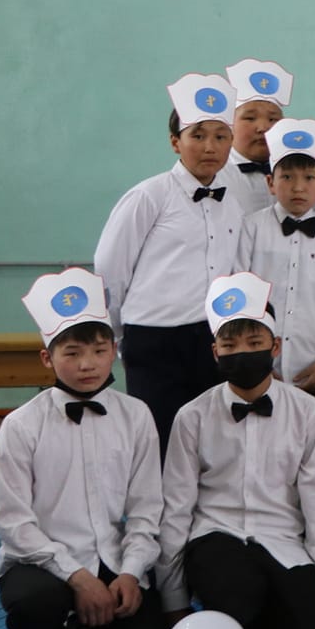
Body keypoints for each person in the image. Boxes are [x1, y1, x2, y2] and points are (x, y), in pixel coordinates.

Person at [158, 273, 315, 629]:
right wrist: (173, 600)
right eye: (230, 345)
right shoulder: (192, 416)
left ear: (275, 346)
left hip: (283, 542)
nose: (242, 352)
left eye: (254, 343)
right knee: (238, 599)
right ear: (215, 352)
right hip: (216, 535)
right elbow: (175, 508)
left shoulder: (307, 412)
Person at [0, 270, 168, 629]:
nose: (87, 364)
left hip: (110, 556)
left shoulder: (136, 415)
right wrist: (78, 578)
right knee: (34, 604)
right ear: (48, 358)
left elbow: (147, 508)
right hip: (40, 563)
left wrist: (130, 572)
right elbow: (14, 525)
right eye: (72, 353)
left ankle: (82, 625)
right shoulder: (21, 426)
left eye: (98, 350)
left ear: (114, 352)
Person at [94, 72, 245, 449]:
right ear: (175, 141)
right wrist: (117, 335)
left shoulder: (233, 203)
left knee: (209, 444)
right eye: (198, 135)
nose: (210, 146)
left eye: (220, 136)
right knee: (158, 441)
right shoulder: (149, 196)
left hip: (212, 338)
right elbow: (110, 268)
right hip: (154, 337)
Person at [233, 117, 315, 402]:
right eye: (287, 177)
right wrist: (254, 358)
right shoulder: (250, 228)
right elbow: (239, 296)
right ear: (270, 182)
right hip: (257, 366)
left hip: (311, 366)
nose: (298, 187)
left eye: (309, 178)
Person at [217, 58, 298, 219]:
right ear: (230, 123)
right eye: (250, 118)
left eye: (273, 119)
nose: (263, 128)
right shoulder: (215, 176)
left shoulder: (301, 172)